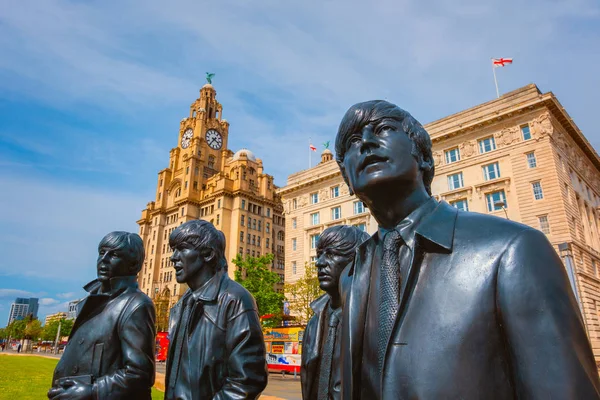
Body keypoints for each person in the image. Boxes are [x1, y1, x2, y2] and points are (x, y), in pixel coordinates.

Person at [334, 100, 600, 399]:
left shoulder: (512, 248)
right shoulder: (352, 275)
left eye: (383, 129)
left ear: (422, 156)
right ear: (346, 178)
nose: (366, 142)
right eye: (353, 141)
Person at [164, 219, 268, 399]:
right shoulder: (181, 305)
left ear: (208, 254)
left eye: (182, 249)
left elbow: (248, 381)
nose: (173, 257)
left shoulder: (235, 300)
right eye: (174, 249)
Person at [48, 232, 156, 400]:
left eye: (114, 254)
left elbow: (140, 373)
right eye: (102, 252)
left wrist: (94, 391)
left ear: (133, 264)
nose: (103, 259)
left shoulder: (136, 305)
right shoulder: (89, 301)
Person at [301, 225, 369, 400]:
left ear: (356, 260)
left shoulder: (372, 318)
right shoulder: (314, 321)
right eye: (319, 255)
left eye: (330, 254)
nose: (319, 262)